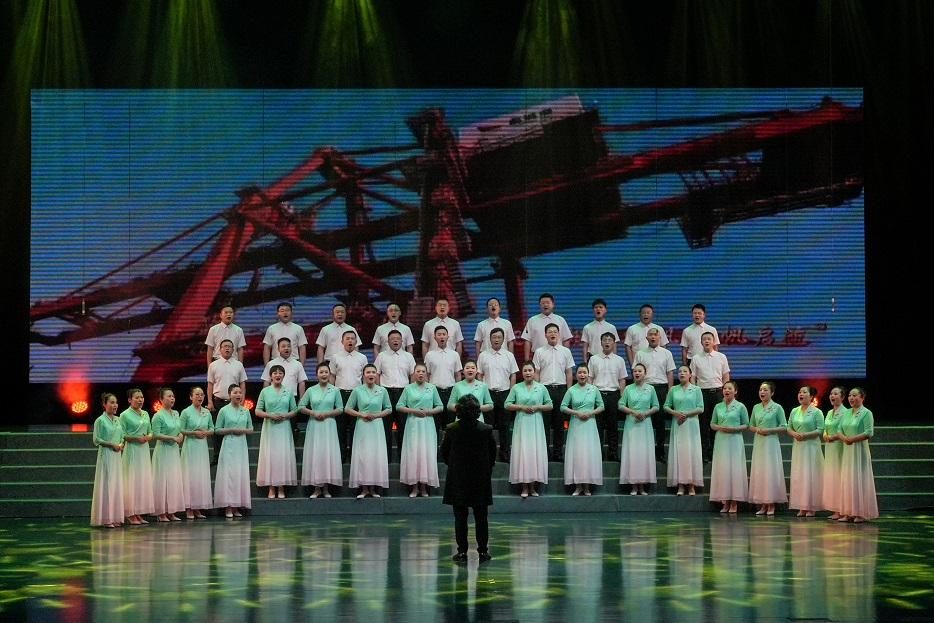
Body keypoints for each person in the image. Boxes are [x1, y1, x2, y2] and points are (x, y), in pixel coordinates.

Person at [441, 394, 497, 564]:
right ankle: (483, 552)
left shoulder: (452, 428)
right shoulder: (486, 429)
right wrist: (486, 469)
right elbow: (492, 453)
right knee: (481, 517)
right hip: (480, 478)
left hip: (458, 478)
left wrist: (454, 466)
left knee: (460, 517)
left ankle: (462, 552)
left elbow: (444, 452)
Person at [505, 361, 552, 498]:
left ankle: (533, 487)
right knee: (523, 452)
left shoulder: (541, 388)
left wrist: (538, 407)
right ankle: (524, 487)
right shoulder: (516, 388)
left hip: (536, 422)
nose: (527, 373)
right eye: (525, 370)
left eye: (530, 370)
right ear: (522, 372)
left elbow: (550, 405)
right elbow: (507, 404)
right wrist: (521, 407)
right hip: (522, 422)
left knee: (534, 452)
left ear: (534, 371)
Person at [298, 363, 345, 499]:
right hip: (315, 425)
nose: (324, 374)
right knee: (316, 454)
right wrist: (313, 412)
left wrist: (327, 413)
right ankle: (316, 488)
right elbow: (301, 406)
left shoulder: (335, 390)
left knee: (327, 454)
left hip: (329, 424)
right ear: (317, 374)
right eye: (321, 372)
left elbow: (340, 408)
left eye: (326, 372)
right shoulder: (311, 390)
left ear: (330, 374)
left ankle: (325, 488)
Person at [396, 363, 443, 498]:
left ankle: (424, 487)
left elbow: (440, 406)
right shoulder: (408, 388)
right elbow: (399, 406)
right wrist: (412, 410)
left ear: (426, 373)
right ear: (414, 373)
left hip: (427, 423)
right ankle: (414, 487)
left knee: (426, 453)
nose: (421, 373)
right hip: (413, 423)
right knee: (414, 454)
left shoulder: (432, 388)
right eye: (418, 371)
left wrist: (428, 411)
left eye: (423, 371)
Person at [345, 364, 392, 498]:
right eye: (368, 372)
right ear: (363, 375)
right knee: (364, 455)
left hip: (376, 425)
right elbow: (347, 408)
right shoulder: (357, 390)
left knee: (375, 455)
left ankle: (373, 489)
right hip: (363, 425)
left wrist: (376, 415)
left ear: (376, 374)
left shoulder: (382, 390)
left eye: (373, 372)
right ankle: (364, 488)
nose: (371, 375)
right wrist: (361, 414)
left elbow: (389, 408)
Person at [255, 364, 299, 500]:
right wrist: (270, 416)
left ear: (283, 376)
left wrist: (285, 415)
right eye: (275, 373)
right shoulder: (265, 391)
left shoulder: (288, 391)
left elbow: (295, 410)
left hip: (284, 427)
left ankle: (281, 487)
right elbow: (257, 411)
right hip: (270, 427)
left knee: (282, 456)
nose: (278, 375)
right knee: (271, 456)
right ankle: (271, 487)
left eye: (280, 373)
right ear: (270, 376)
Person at [533, 322, 575, 461]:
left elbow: (569, 372)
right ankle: (544, 452)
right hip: (544, 389)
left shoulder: (566, 351)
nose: (552, 334)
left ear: (559, 334)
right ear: (545, 335)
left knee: (559, 423)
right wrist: (538, 390)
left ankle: (558, 452)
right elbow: (536, 372)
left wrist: (569, 391)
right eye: (550, 332)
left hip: (561, 390)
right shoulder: (539, 352)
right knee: (544, 423)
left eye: (555, 331)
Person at [561, 365, 605, 496]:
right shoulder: (571, 390)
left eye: (584, 373)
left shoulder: (594, 389)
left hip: (590, 425)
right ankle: (578, 486)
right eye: (579, 372)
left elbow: (601, 406)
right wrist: (577, 413)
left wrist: (590, 413)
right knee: (577, 454)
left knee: (588, 454)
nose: (582, 375)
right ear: (576, 375)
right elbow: (563, 407)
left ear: (588, 374)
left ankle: (587, 486)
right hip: (576, 424)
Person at [476, 327, 519, 461]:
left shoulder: (509, 355)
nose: (496, 339)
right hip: (488, 393)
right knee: (487, 426)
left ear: (503, 339)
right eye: (494, 337)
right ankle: (488, 453)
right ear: (490, 339)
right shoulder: (483, 355)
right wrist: (481, 392)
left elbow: (513, 376)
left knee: (504, 426)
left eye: (499, 337)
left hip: (505, 393)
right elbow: (479, 374)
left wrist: (511, 394)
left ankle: (505, 453)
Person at [836, 387, 878, 523]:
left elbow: (869, 432)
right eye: (850, 395)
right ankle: (848, 512)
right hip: (847, 450)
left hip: (859, 450)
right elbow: (839, 429)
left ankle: (860, 512)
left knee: (859, 480)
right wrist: (844, 438)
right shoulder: (846, 413)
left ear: (862, 398)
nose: (851, 398)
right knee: (848, 480)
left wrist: (852, 439)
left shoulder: (866, 413)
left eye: (854, 395)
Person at [374, 329, 417, 461]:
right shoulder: (382, 356)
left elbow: (413, 375)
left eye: (398, 338)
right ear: (388, 342)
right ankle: (385, 458)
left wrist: (411, 392)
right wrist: (379, 392)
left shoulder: (408, 356)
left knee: (404, 427)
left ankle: (404, 458)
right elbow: (377, 374)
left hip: (403, 393)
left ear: (402, 341)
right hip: (386, 392)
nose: (395, 341)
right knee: (385, 427)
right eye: (392, 339)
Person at [618, 363, 659, 495]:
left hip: (645, 424)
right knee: (633, 452)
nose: (637, 373)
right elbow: (621, 405)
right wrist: (633, 412)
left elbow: (656, 406)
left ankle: (642, 486)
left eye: (640, 371)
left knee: (643, 453)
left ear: (645, 374)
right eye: (635, 371)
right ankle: (634, 486)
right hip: (632, 423)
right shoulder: (628, 389)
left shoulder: (651, 389)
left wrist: (645, 413)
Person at [748, 381, 787, 516]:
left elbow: (784, 426)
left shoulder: (777, 407)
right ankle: (763, 503)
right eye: (760, 390)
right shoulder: (756, 407)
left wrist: (769, 430)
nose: (762, 392)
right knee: (761, 471)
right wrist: (757, 429)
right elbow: (751, 425)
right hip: (759, 442)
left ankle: (771, 503)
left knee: (770, 471)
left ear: (772, 392)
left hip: (771, 442)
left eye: (765, 390)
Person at [663, 365, 704, 496]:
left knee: (691, 452)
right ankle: (680, 484)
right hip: (678, 424)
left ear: (690, 374)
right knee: (679, 452)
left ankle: (691, 484)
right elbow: (666, 406)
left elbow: (700, 408)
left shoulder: (696, 389)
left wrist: (686, 414)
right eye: (680, 371)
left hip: (691, 424)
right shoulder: (673, 389)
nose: (682, 373)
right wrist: (676, 413)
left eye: (685, 371)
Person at [214, 385, 254, 518]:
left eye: (240, 392)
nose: (238, 395)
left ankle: (237, 505)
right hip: (229, 444)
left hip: (241, 445)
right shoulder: (224, 411)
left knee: (239, 474)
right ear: (229, 394)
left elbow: (251, 428)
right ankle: (228, 506)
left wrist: (243, 430)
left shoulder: (245, 411)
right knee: (229, 475)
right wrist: (231, 430)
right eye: (235, 392)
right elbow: (217, 429)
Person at [709, 381, 749, 513]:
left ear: (735, 391)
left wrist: (734, 428)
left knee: (734, 469)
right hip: (721, 440)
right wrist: (720, 427)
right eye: (725, 388)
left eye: (729, 388)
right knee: (723, 469)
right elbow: (712, 424)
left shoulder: (740, 406)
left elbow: (746, 424)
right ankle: (725, 500)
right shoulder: (718, 406)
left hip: (735, 440)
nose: (726, 390)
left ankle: (734, 501)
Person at [329, 330, 368, 461]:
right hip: (340, 393)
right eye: (347, 338)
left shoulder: (362, 357)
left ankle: (354, 456)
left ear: (356, 341)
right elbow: (332, 376)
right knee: (340, 427)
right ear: (342, 341)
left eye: (352, 338)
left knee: (355, 427)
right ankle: (341, 456)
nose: (350, 341)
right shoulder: (335, 357)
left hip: (357, 394)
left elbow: (365, 377)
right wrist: (332, 394)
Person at [690, 332, 729, 463]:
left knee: (716, 423)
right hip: (702, 393)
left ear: (713, 341)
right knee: (704, 424)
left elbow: (725, 377)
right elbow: (693, 378)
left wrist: (726, 394)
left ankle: (715, 452)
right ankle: (705, 453)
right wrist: (694, 393)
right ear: (701, 342)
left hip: (718, 393)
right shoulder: (696, 358)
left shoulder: (721, 357)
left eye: (709, 339)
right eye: (704, 339)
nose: (707, 341)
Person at [589, 332, 628, 461]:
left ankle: (613, 453)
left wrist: (621, 397)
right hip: (598, 394)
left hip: (613, 395)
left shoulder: (619, 360)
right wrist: (592, 394)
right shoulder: (594, 359)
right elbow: (590, 377)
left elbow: (622, 379)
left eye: (609, 340)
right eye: (604, 340)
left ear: (613, 343)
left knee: (613, 426)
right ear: (601, 343)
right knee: (598, 426)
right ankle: (598, 453)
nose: (607, 342)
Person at [787, 385, 824, 517]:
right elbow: (789, 427)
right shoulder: (794, 411)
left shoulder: (816, 412)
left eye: (804, 392)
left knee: (810, 475)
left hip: (811, 447)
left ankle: (811, 506)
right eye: (799, 392)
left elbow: (820, 429)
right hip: (798, 447)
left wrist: (805, 434)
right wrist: (794, 434)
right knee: (799, 475)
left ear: (811, 396)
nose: (801, 394)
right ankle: (801, 506)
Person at [120, 388, 154, 526]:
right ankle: (130, 513)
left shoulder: (145, 413)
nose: (140, 400)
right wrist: (136, 438)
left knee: (141, 481)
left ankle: (138, 512)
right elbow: (121, 434)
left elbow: (150, 431)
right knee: (132, 480)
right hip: (132, 449)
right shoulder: (124, 415)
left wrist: (148, 437)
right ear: (130, 400)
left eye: (142, 397)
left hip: (143, 449)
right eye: (137, 398)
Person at [151, 387, 185, 522]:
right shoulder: (158, 416)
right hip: (163, 450)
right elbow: (156, 434)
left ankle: (171, 510)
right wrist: (172, 438)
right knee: (163, 480)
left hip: (174, 451)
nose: (172, 398)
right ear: (161, 399)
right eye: (169, 396)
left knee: (173, 480)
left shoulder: (176, 413)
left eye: (173, 396)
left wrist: (180, 435)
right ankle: (161, 512)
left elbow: (179, 429)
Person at [90, 392, 124, 528]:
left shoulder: (118, 420)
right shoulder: (100, 420)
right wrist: (112, 445)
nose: (115, 405)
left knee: (116, 484)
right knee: (107, 485)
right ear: (104, 404)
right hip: (106, 454)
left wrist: (120, 444)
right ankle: (106, 517)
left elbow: (122, 436)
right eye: (111, 402)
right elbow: (96, 439)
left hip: (116, 455)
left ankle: (115, 516)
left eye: (116, 403)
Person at [180, 386, 213, 520]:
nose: (200, 397)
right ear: (191, 397)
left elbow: (212, 428)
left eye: (202, 395)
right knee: (190, 476)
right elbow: (180, 429)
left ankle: (198, 507)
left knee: (200, 476)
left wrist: (205, 432)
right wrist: (194, 433)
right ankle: (189, 507)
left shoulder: (206, 412)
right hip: (190, 446)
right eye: (197, 394)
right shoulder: (186, 412)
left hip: (202, 447)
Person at [424, 325, 463, 433]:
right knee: (434, 425)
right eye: (439, 335)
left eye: (444, 334)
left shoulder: (454, 354)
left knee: (450, 425)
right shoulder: (429, 355)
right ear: (435, 338)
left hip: (451, 392)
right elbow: (427, 375)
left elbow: (458, 375)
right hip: (434, 392)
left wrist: (458, 393)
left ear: (448, 337)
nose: (441, 337)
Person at [521, 293, 573, 361]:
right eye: (543, 303)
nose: (545, 305)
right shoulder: (532, 320)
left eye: (548, 303)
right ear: (539, 305)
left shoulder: (560, 320)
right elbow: (527, 340)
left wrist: (567, 357)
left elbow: (566, 340)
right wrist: (527, 359)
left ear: (553, 304)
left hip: (558, 356)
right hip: (537, 356)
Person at [822, 386, 848, 520]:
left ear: (842, 397)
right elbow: (825, 427)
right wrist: (825, 434)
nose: (832, 396)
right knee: (832, 477)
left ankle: (843, 509)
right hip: (829, 447)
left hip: (839, 446)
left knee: (839, 477)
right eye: (831, 393)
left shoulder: (846, 412)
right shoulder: (829, 412)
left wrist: (832, 436)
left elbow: (844, 430)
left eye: (836, 394)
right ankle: (836, 509)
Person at [623, 304, 669, 370]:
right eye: (643, 313)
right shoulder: (632, 329)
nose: (646, 315)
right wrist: (632, 365)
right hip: (638, 364)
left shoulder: (659, 328)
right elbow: (627, 347)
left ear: (652, 315)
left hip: (655, 365)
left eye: (648, 313)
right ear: (640, 315)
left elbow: (663, 346)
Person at [262, 301, 308, 366]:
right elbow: (267, 348)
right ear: (277, 314)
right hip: (276, 363)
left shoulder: (298, 328)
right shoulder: (271, 328)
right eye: (282, 311)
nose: (285, 313)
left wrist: (301, 366)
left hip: (294, 362)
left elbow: (302, 348)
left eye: (287, 310)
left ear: (291, 313)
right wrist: (267, 366)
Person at [580, 298, 620, 363]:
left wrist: (614, 361)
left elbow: (614, 346)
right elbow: (585, 346)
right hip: (592, 359)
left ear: (605, 310)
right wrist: (585, 362)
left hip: (608, 359)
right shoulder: (587, 327)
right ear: (593, 310)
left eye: (601, 307)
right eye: (596, 307)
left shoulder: (611, 327)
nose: (598, 309)